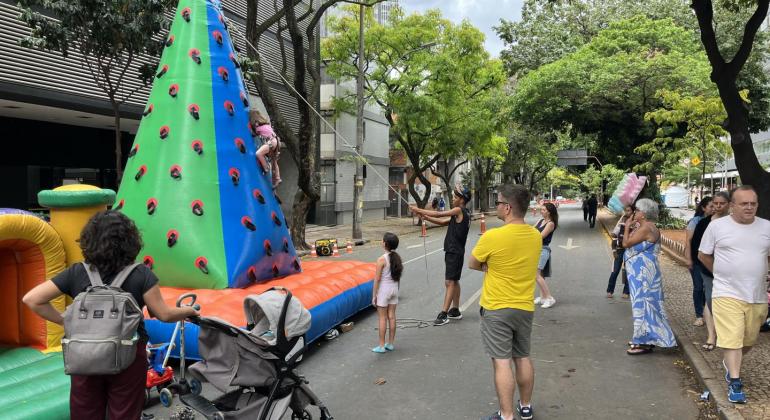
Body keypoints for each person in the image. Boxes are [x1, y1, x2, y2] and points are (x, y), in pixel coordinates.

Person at [22, 211, 199, 419]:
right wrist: (189, 310)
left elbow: (32, 299)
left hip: (84, 356)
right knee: (124, 412)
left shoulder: (77, 272)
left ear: (89, 240)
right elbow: (164, 315)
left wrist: (65, 321)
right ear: (131, 241)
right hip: (129, 355)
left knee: (85, 413)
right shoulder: (140, 273)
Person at [469, 184, 541, 420]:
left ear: (508, 207)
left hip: (497, 308)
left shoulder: (492, 236)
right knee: (522, 356)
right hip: (524, 307)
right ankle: (526, 406)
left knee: (501, 362)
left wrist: (488, 266)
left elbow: (473, 263)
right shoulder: (535, 236)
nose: (496, 206)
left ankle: (507, 415)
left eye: (498, 203)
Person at [698, 186, 770, 404]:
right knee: (733, 338)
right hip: (726, 292)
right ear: (732, 205)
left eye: (753, 203)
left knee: (748, 339)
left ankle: (730, 364)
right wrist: (721, 274)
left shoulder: (766, 227)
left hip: (756, 295)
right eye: (744, 203)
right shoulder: (717, 227)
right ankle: (735, 383)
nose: (749, 207)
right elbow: (703, 255)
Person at [410, 186, 472, 325]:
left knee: (449, 282)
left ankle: (444, 314)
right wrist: (425, 217)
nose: (453, 199)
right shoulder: (463, 213)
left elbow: (440, 215)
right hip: (453, 251)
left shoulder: (459, 210)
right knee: (454, 281)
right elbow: (443, 222)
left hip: (454, 251)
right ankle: (455, 310)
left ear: (462, 200)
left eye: (456, 197)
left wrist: (418, 209)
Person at [622, 198, 676, 355]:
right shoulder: (647, 227)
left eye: (637, 210)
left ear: (643, 213)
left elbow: (626, 243)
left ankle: (643, 341)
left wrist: (626, 227)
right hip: (644, 271)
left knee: (642, 305)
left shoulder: (646, 228)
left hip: (642, 272)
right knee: (647, 305)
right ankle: (645, 338)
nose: (635, 212)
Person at [692, 192, 730, 351]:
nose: (718, 206)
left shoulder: (733, 222)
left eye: (722, 203)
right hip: (709, 269)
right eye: (715, 203)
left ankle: (726, 333)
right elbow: (697, 247)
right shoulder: (703, 223)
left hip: (730, 270)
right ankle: (711, 335)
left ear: (729, 204)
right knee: (710, 299)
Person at [371, 232, 403, 353]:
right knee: (392, 317)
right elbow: (398, 277)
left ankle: (381, 345)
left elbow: (377, 279)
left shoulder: (381, 259)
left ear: (385, 244)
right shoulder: (397, 258)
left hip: (384, 290)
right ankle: (390, 343)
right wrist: (397, 290)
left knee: (382, 318)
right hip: (394, 289)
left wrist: (374, 295)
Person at [685, 196, 713, 327]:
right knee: (698, 287)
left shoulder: (718, 222)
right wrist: (689, 258)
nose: (714, 208)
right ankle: (699, 315)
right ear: (703, 208)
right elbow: (688, 241)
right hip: (697, 260)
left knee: (709, 288)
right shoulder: (696, 221)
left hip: (711, 259)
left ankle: (709, 313)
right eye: (711, 206)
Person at [533, 203, 558, 308]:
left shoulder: (550, 224)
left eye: (543, 210)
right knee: (541, 275)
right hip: (536, 249)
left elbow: (540, 236)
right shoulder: (540, 220)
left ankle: (549, 298)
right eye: (541, 209)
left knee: (536, 275)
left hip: (543, 250)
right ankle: (542, 297)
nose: (541, 211)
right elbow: (531, 230)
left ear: (549, 212)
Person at [606, 204, 634, 299]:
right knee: (615, 271)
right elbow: (614, 236)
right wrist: (614, 251)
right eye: (626, 211)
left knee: (628, 271)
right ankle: (610, 290)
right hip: (619, 250)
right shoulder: (622, 221)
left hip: (630, 251)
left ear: (633, 212)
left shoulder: (636, 224)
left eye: (629, 210)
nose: (627, 213)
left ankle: (626, 291)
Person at [251, 110, 282, 189]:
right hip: (277, 141)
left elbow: (254, 134)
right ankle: (278, 178)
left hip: (272, 142)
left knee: (258, 153)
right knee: (274, 161)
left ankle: (266, 167)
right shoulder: (267, 125)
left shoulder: (258, 127)